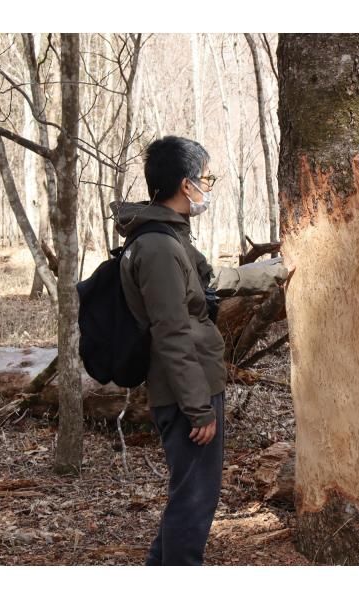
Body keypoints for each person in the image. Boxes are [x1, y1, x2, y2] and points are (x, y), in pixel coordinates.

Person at [110, 135, 226, 566]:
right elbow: (171, 332)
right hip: (184, 391)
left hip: (194, 380)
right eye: (206, 178)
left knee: (193, 496)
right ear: (185, 183)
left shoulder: (170, 236)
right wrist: (198, 408)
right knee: (193, 503)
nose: (207, 188)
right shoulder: (157, 247)